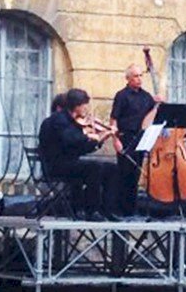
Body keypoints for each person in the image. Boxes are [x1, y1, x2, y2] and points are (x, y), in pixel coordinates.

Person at [37, 89, 121, 222]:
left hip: (69, 163)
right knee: (94, 167)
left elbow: (80, 148)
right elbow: (71, 139)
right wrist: (89, 136)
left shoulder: (71, 122)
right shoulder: (59, 120)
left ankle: (106, 209)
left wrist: (101, 139)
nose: (86, 109)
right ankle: (91, 210)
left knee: (111, 168)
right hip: (55, 166)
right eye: (84, 105)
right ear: (77, 105)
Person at [110, 64, 164, 217]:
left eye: (141, 75)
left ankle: (131, 209)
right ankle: (121, 210)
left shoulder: (146, 96)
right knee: (124, 174)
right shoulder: (121, 95)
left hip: (141, 137)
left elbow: (154, 115)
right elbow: (113, 119)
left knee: (135, 175)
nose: (139, 79)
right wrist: (115, 140)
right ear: (128, 78)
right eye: (135, 76)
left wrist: (159, 103)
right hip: (125, 137)